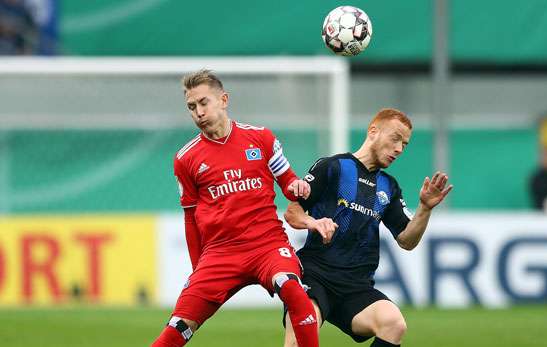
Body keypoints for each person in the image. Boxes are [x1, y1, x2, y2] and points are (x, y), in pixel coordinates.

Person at [152, 70, 319, 347]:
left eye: (204, 103)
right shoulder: (186, 158)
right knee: (177, 328)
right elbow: (191, 218)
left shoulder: (261, 138)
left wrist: (297, 187)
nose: (198, 112)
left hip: (267, 244)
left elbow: (287, 182)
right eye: (191, 107)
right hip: (220, 253)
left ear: (224, 99)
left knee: (293, 289)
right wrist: (198, 270)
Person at [283, 108, 452, 347]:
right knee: (301, 334)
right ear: (373, 131)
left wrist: (425, 208)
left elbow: (406, 240)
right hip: (315, 274)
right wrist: (314, 222)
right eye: (395, 139)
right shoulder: (332, 167)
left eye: (404, 144)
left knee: (393, 324)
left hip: (355, 285)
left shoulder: (389, 187)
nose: (399, 149)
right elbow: (293, 212)